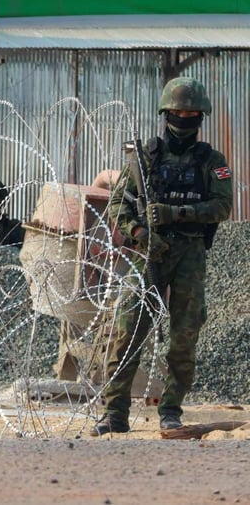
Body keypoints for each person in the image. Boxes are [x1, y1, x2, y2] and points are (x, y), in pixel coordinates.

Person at [92, 76, 232, 436]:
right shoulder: (145, 158)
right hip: (147, 255)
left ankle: (170, 410)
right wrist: (139, 233)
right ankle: (114, 413)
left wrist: (175, 214)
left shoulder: (210, 161)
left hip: (189, 254)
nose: (185, 118)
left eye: (192, 113)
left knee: (184, 335)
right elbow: (119, 205)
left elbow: (222, 206)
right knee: (127, 332)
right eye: (179, 112)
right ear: (166, 113)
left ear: (201, 117)